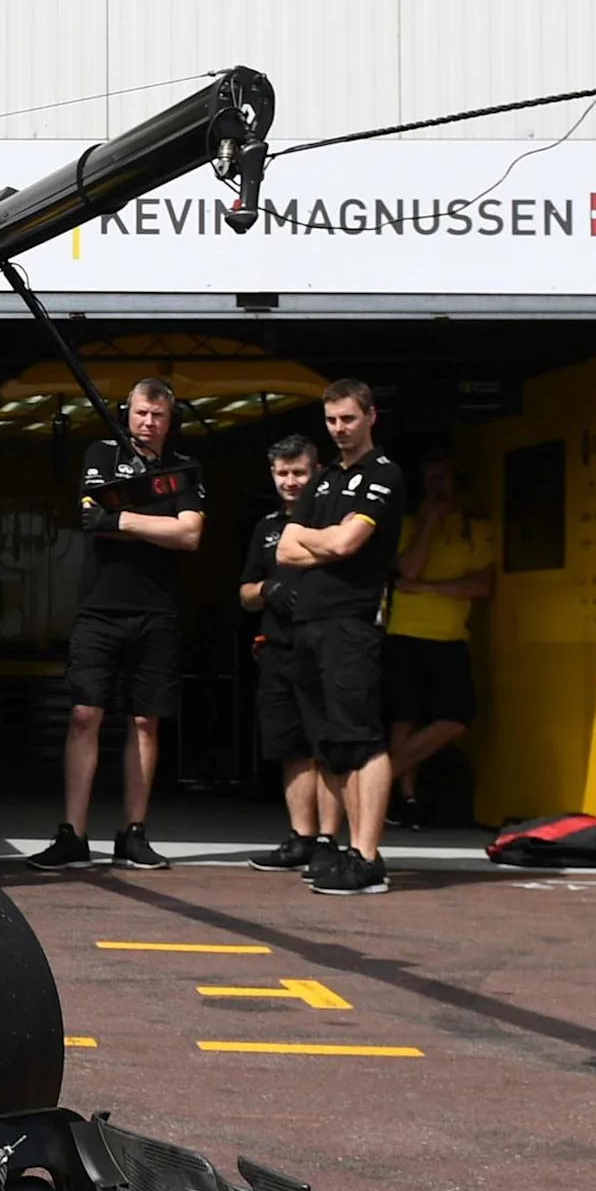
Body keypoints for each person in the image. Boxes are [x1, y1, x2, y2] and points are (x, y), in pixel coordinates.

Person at [31, 379, 204, 872]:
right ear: (127, 412)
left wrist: (123, 519)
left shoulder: (183, 468)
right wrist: (157, 524)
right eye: (141, 413)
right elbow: (91, 518)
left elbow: (190, 535)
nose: (148, 423)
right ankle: (73, 834)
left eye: (158, 416)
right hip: (100, 609)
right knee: (85, 714)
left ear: (171, 422)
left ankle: (133, 833)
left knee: (145, 721)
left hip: (159, 610)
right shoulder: (100, 454)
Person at [274, 379, 407, 897]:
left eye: (348, 419)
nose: (339, 429)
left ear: (370, 416)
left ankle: (369, 857)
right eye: (331, 420)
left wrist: (327, 542)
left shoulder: (384, 474)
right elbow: (285, 548)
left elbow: (350, 542)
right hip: (308, 624)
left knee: (361, 738)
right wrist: (324, 542)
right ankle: (350, 850)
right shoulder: (324, 478)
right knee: (330, 742)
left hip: (351, 622)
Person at [383, 449, 495, 829]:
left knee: (457, 717)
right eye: (430, 478)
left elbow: (482, 585)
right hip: (405, 634)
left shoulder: (476, 528)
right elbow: (407, 568)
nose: (437, 485)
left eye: (442, 476)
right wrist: (430, 523)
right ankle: (406, 800)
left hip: (450, 637)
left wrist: (425, 586)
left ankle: (378, 778)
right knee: (405, 718)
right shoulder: (410, 523)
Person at [242, 435, 337, 871]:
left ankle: (329, 842)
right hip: (277, 650)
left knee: (327, 747)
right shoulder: (265, 528)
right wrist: (268, 589)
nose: (291, 481)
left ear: (316, 471)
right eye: (283, 473)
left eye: (299, 472)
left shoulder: (334, 521)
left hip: (323, 646)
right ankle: (300, 838)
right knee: (290, 747)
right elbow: (243, 593)